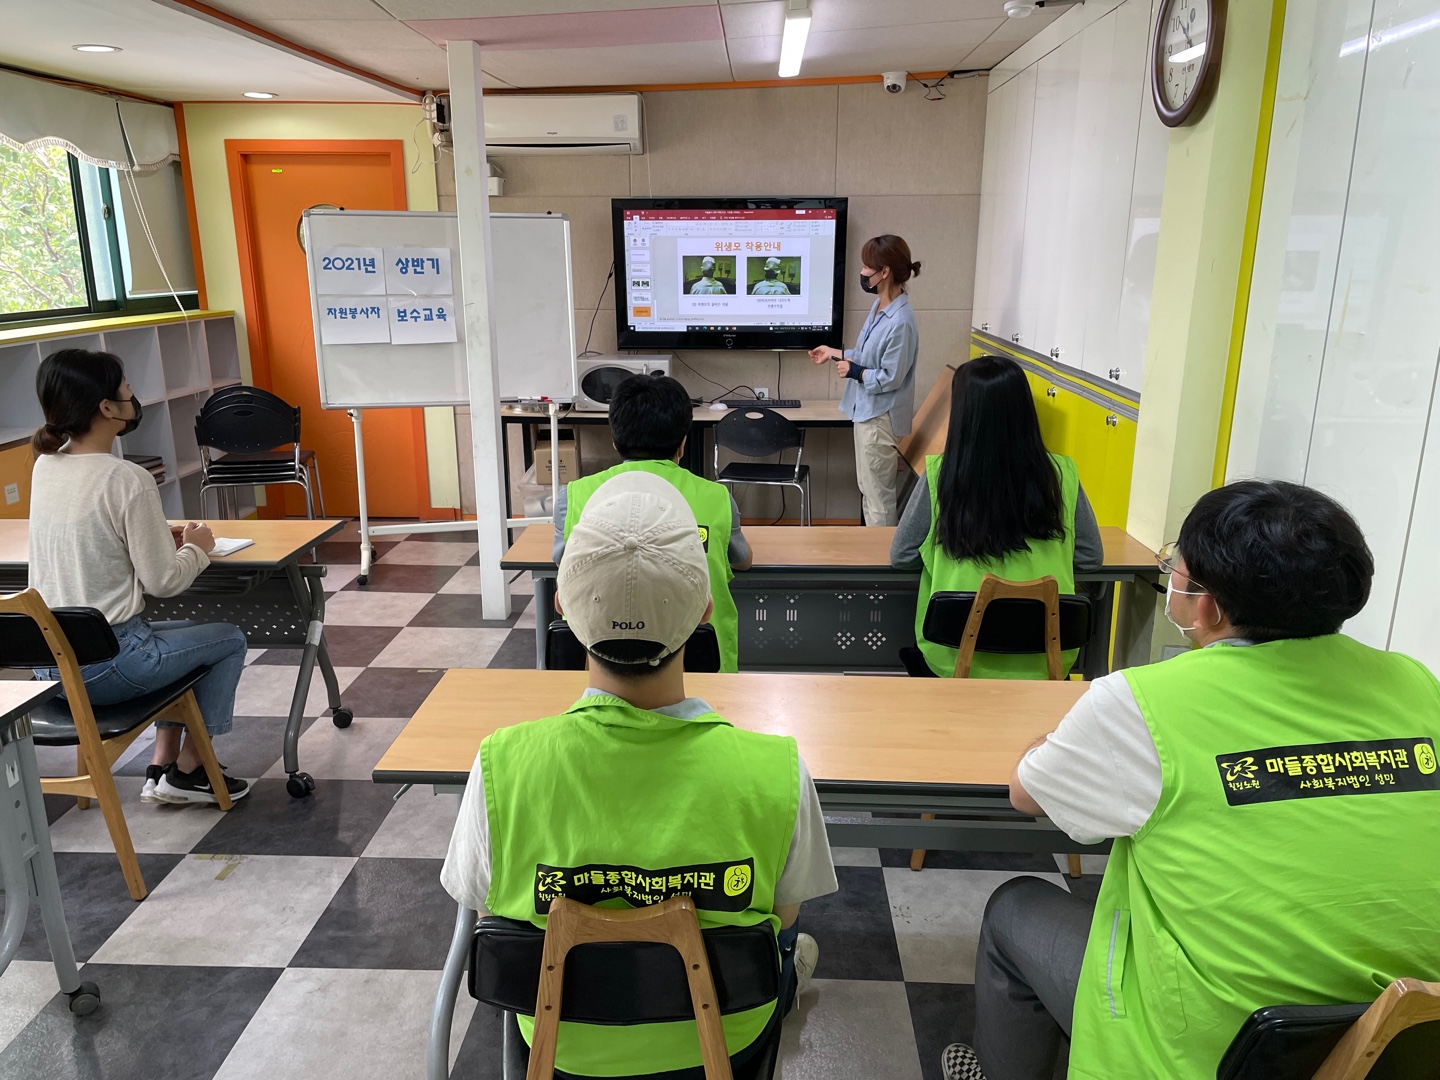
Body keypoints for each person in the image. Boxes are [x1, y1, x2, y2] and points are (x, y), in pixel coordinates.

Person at [941, 480, 1440, 1080]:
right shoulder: (1417, 685)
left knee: (1014, 908)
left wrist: (1045, 741)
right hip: (1401, 1042)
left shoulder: (1144, 703)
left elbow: (1028, 793)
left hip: (1208, 1052)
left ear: (1208, 604)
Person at [444, 471, 837, 1077]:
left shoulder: (502, 764)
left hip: (563, 1050)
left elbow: (483, 910)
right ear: (705, 611)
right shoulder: (777, 771)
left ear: (564, 608)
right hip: (727, 1046)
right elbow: (783, 921)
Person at [27, 349, 249, 805]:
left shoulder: (45, 466)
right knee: (228, 639)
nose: (134, 395)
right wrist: (197, 548)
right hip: (109, 666)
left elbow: (90, 539)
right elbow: (164, 583)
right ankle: (191, 770)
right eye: (127, 388)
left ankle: (161, 764)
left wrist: (146, 538)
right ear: (107, 407)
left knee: (187, 635)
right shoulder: (127, 478)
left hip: (48, 664)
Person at [891, 356, 1103, 678]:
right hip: (1045, 662)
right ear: (1025, 410)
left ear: (963, 413)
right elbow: (1090, 557)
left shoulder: (939, 475)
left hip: (952, 658)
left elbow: (902, 556)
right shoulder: (1062, 475)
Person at [553, 372, 751, 672]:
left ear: (615, 441)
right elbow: (742, 560)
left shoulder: (573, 496)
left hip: (594, 665)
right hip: (702, 666)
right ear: (683, 443)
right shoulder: (717, 497)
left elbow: (562, 560)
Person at [809, 234, 920, 526]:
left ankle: (882, 554)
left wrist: (855, 372)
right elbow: (866, 355)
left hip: (880, 419)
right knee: (869, 492)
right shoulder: (879, 307)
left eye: (867, 266)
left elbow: (890, 377)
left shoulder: (901, 321)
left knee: (879, 499)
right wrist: (833, 352)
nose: (862, 272)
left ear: (885, 272)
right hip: (866, 413)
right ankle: (876, 551)